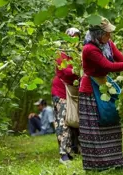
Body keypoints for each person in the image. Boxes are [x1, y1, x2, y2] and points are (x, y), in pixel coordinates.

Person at [79, 17, 123, 171]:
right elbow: (108, 65)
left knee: (111, 120)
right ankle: (97, 166)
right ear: (98, 34)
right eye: (106, 33)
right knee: (96, 126)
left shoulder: (108, 44)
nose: (109, 36)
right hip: (91, 89)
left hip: (105, 85)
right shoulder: (89, 49)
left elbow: (122, 60)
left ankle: (114, 162)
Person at [51, 28, 81, 164]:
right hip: (61, 92)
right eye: (72, 37)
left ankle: (74, 149)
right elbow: (66, 71)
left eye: (77, 37)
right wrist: (78, 70)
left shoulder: (77, 54)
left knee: (74, 120)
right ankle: (63, 153)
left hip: (74, 92)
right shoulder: (60, 54)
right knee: (63, 121)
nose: (74, 40)